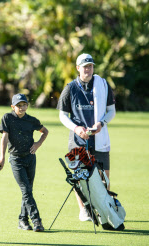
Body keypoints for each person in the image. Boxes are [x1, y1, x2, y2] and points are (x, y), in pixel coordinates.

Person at [56, 53, 116, 221]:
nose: (88, 69)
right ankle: (84, 210)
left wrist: (101, 123)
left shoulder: (103, 85)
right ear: (78, 68)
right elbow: (62, 115)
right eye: (85, 66)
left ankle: (104, 209)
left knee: (104, 177)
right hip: (78, 139)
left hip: (100, 138)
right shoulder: (70, 88)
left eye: (90, 66)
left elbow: (111, 111)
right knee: (79, 177)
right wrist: (76, 129)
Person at [0, 94, 49, 232]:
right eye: (18, 105)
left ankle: (23, 220)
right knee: (26, 190)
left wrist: (38, 144)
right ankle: (37, 221)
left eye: (24, 105)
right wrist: (1, 158)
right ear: (13, 107)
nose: (21, 107)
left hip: (30, 158)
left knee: (28, 191)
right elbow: (4, 138)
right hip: (16, 159)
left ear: (27, 106)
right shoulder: (7, 118)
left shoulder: (31, 120)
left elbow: (45, 131)